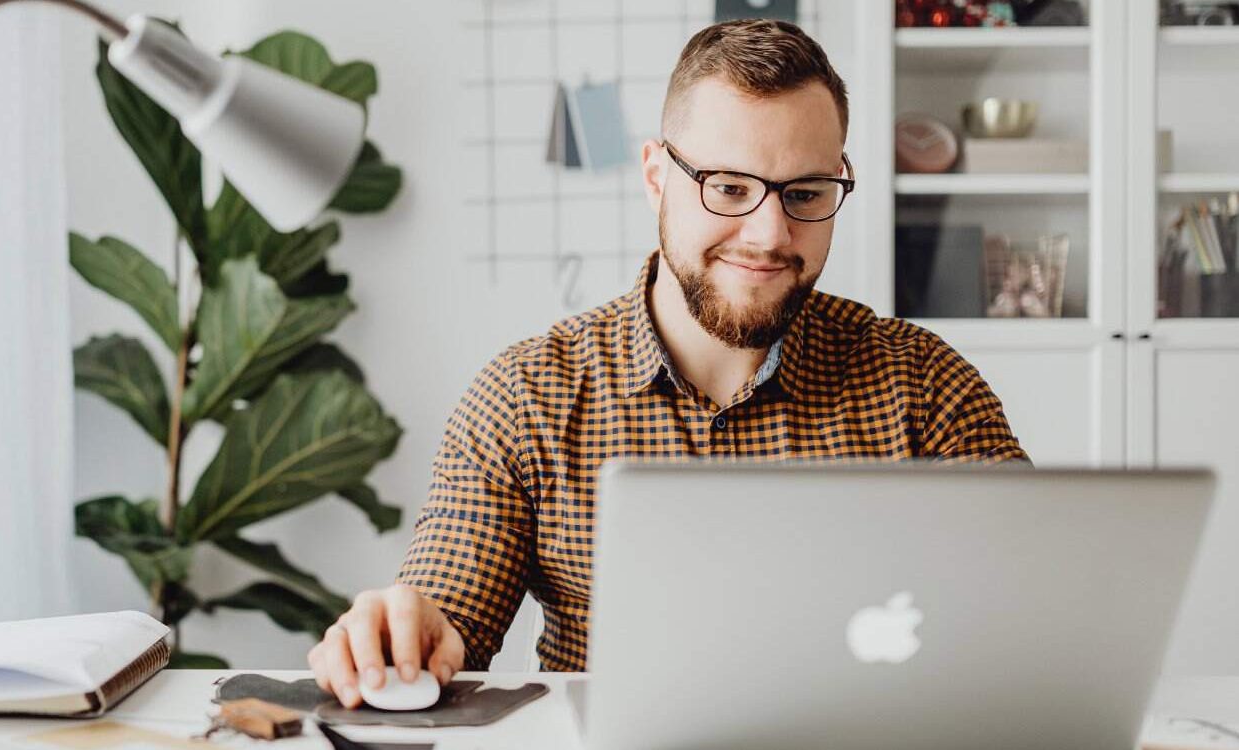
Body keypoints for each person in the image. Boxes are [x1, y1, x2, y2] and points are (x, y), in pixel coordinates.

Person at [307, 18, 1029, 708]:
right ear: (657, 174)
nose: (770, 233)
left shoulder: (924, 384)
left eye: (806, 193)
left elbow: (1038, 607)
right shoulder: (527, 394)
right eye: (729, 187)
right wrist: (405, 634)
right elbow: (447, 611)